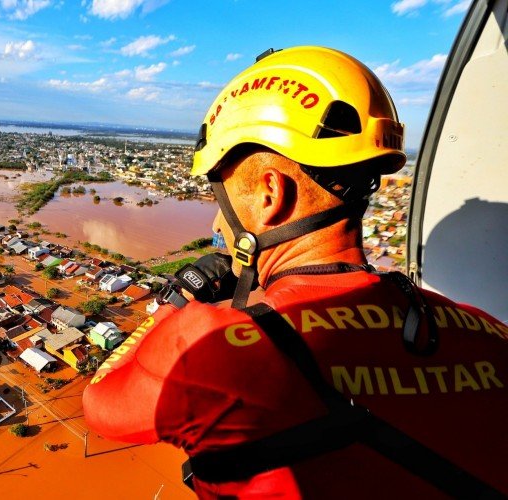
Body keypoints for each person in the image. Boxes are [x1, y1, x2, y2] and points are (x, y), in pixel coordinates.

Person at [82, 46, 508, 499]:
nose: (215, 225)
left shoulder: (211, 348)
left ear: (270, 194)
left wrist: (181, 300)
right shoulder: (488, 332)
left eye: (221, 202)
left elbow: (100, 400)